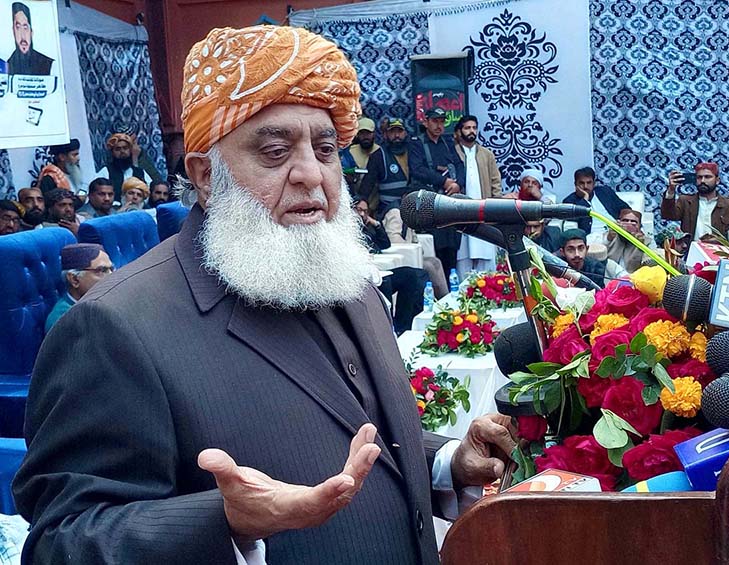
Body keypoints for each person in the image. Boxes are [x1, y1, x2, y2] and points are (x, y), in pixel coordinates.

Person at [13, 25, 515, 565]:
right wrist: (224, 523)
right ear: (206, 176)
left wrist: (447, 464)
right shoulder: (114, 327)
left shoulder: (341, 275)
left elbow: (363, 436)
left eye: (325, 150)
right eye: (275, 152)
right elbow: (61, 543)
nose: (311, 176)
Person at [355, 198, 429, 333]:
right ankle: (390, 329)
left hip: (379, 268)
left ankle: (405, 325)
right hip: (365, 274)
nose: (361, 214)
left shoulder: (366, 227)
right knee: (386, 282)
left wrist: (376, 224)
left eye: (365, 211)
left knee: (413, 275)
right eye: (358, 210)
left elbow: (385, 244)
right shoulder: (348, 229)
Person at [408, 107, 465, 275]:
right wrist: (443, 181)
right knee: (435, 250)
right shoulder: (417, 143)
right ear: (426, 122)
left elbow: (460, 165)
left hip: (449, 201)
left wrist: (458, 184)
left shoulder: (447, 142)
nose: (439, 126)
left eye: (442, 122)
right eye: (435, 121)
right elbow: (417, 169)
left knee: (452, 248)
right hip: (430, 205)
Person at [454, 115, 502, 277]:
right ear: (459, 131)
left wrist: (496, 207)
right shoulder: (453, 152)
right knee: (464, 253)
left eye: (474, 128)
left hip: (483, 211)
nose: (471, 131)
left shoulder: (486, 154)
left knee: (485, 248)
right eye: (467, 128)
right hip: (460, 213)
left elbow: (495, 182)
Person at [661, 162, 729, 241]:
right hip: (691, 250)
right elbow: (668, 215)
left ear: (717, 180)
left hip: (719, 251)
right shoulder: (685, 201)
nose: (703, 181)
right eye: (699, 177)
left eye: (707, 177)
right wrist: (671, 190)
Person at [44, 244, 113, 332]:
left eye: (111, 269)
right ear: (74, 279)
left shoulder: (103, 302)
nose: (111, 276)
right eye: (101, 271)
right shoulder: (62, 321)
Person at [359, 117, 411, 214]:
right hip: (389, 209)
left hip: (413, 207)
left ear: (405, 133)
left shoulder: (413, 151)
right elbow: (368, 181)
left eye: (399, 131)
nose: (396, 135)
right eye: (392, 132)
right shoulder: (378, 155)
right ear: (385, 134)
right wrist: (363, 200)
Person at [562, 166, 627, 238]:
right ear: (576, 184)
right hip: (595, 236)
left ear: (594, 183)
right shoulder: (569, 201)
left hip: (615, 231)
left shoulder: (605, 192)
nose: (585, 186)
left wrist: (623, 221)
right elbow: (572, 217)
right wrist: (585, 199)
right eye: (581, 183)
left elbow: (624, 207)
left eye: (589, 182)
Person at [96, 132, 152, 202]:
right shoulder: (105, 171)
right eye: (118, 149)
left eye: (125, 148)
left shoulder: (140, 172)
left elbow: (149, 192)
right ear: (112, 152)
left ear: (130, 150)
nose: (122, 151)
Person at [7, 2, 53, 76]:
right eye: (18, 28)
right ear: (13, 31)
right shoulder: (7, 65)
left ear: (31, 32)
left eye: (25, 28)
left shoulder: (46, 63)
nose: (23, 36)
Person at [605, 208, 650, 273]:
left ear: (639, 226)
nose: (629, 223)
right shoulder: (610, 235)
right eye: (625, 220)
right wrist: (608, 239)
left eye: (633, 221)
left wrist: (641, 247)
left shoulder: (646, 241)